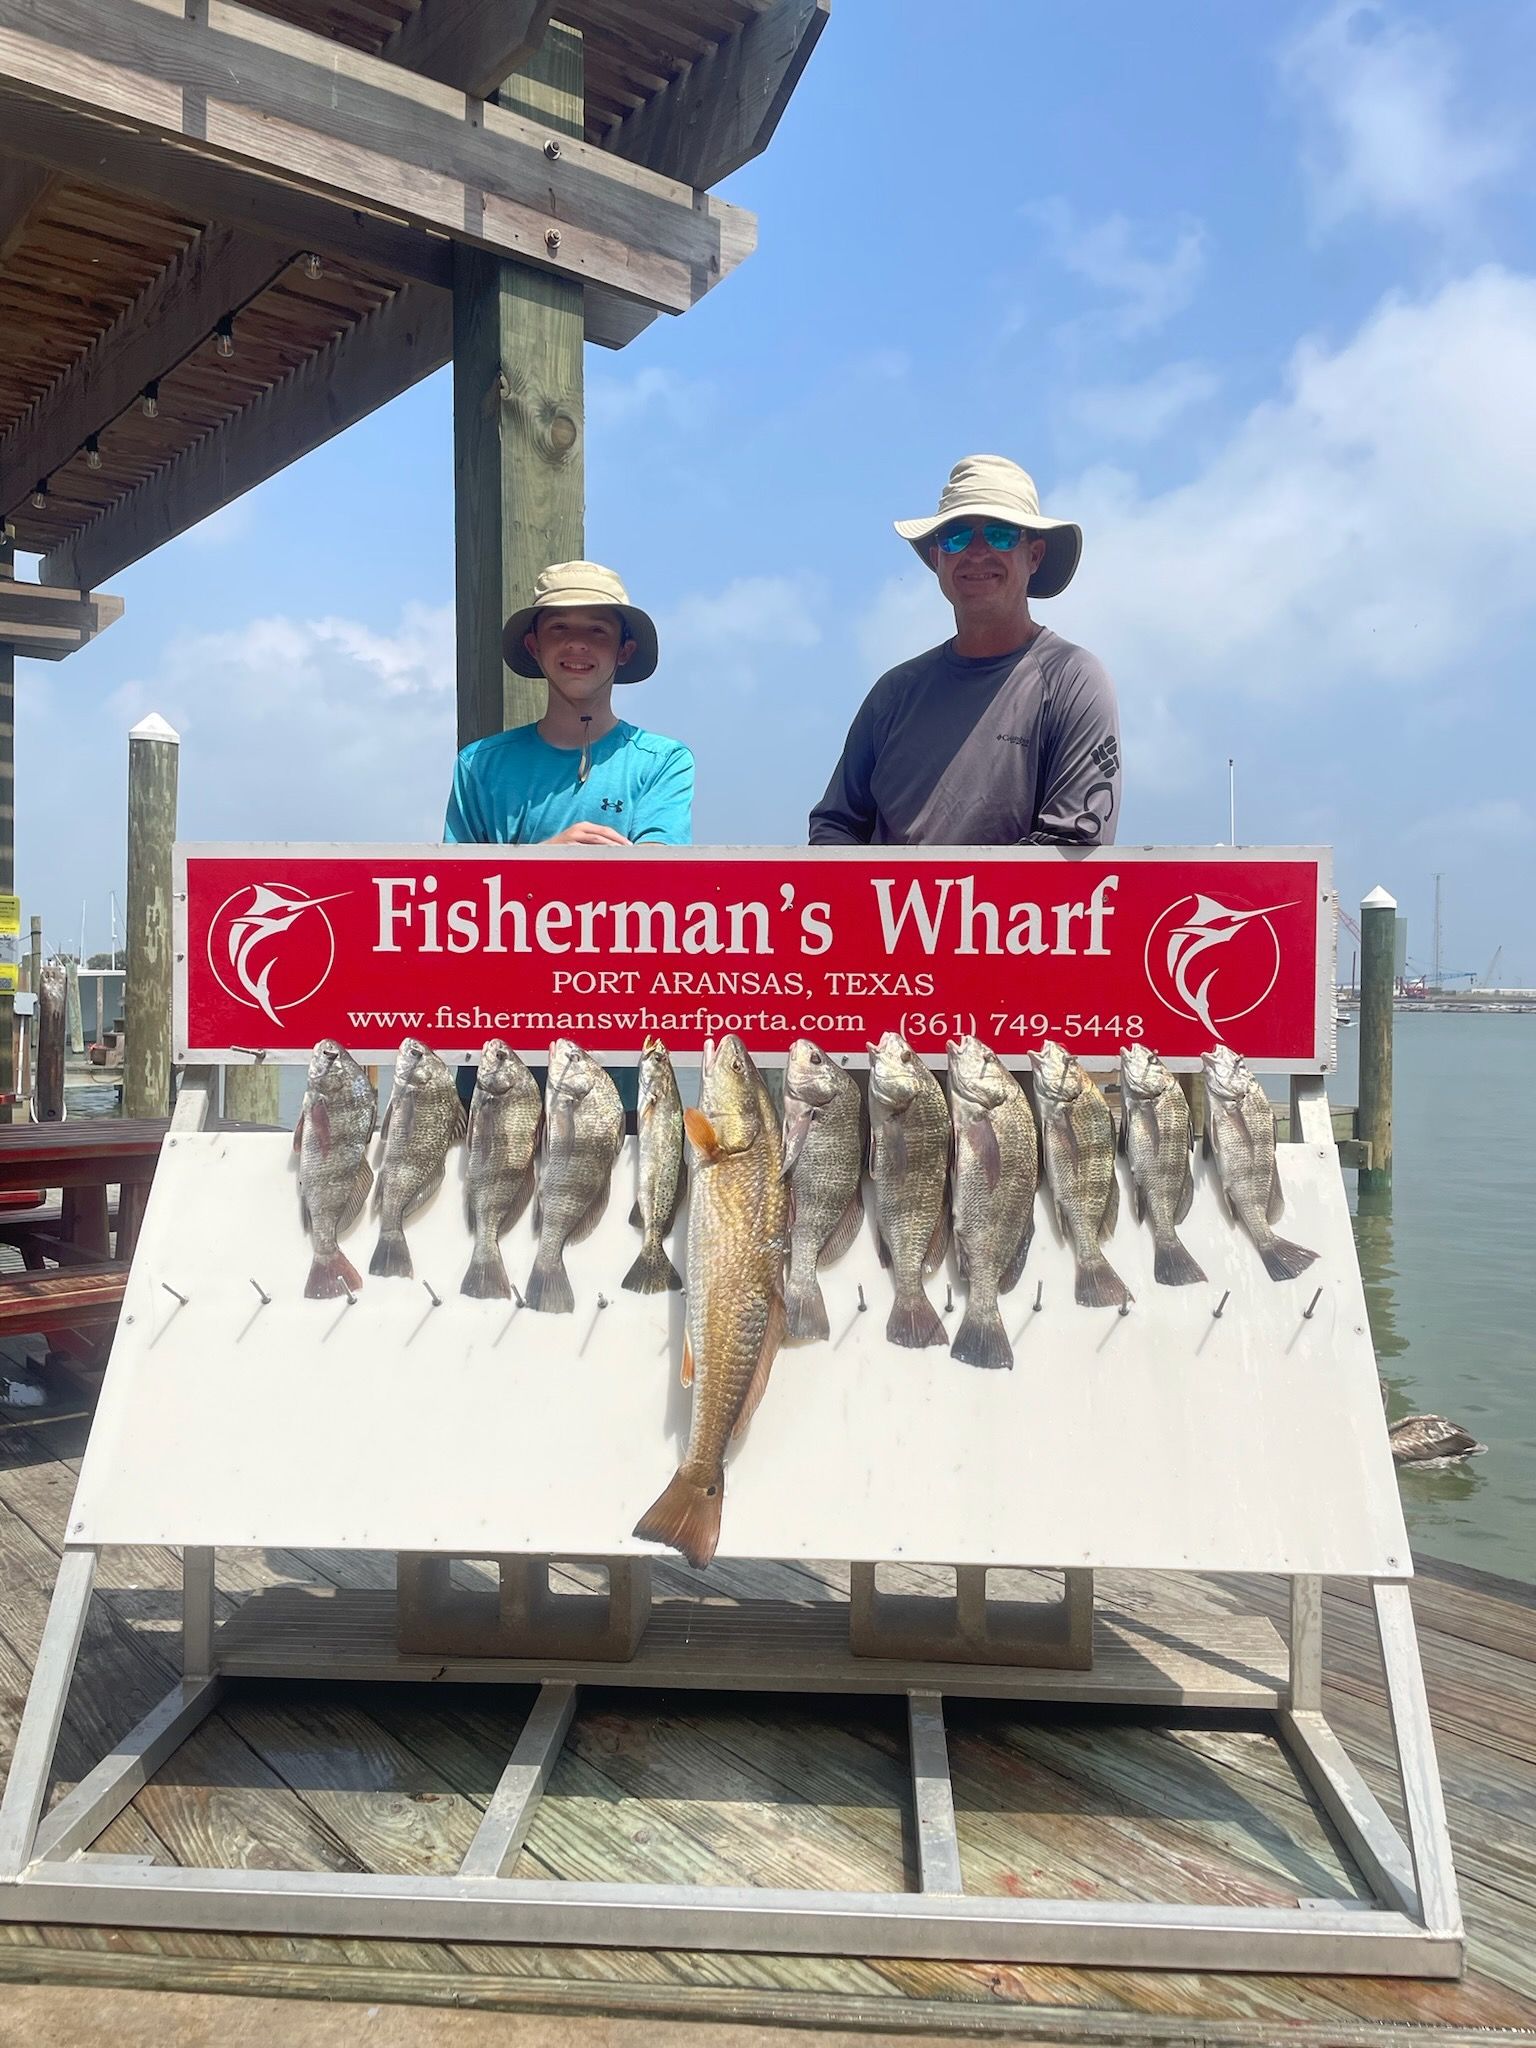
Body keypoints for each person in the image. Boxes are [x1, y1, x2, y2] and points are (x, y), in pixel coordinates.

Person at [808, 455, 1120, 847]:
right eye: (956, 536)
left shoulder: (1072, 681)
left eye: (1001, 534)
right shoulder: (892, 695)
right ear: (938, 558)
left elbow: (1071, 844)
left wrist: (944, 888)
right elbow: (834, 827)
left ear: (1034, 555)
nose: (977, 552)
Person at [445, 561, 693, 848]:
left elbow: (660, 868)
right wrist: (550, 859)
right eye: (559, 627)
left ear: (624, 651)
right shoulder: (478, 764)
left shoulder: (663, 761)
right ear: (534, 647)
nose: (576, 643)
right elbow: (456, 875)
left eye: (597, 630)